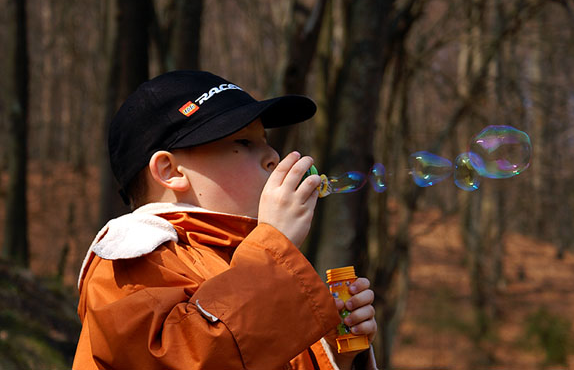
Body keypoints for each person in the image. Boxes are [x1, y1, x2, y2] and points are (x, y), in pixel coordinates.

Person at [73, 70, 378, 370]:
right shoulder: (126, 258)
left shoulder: (250, 259)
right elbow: (187, 359)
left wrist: (335, 357)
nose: (273, 155)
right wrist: (271, 251)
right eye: (244, 142)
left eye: (266, 140)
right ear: (170, 171)